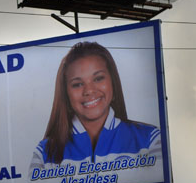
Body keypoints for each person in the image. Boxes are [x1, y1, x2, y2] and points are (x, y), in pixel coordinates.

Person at [30, 41, 162, 171]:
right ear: (66, 94)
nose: (89, 90)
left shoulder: (151, 139)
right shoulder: (43, 154)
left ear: (113, 82)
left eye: (98, 78)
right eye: (77, 84)